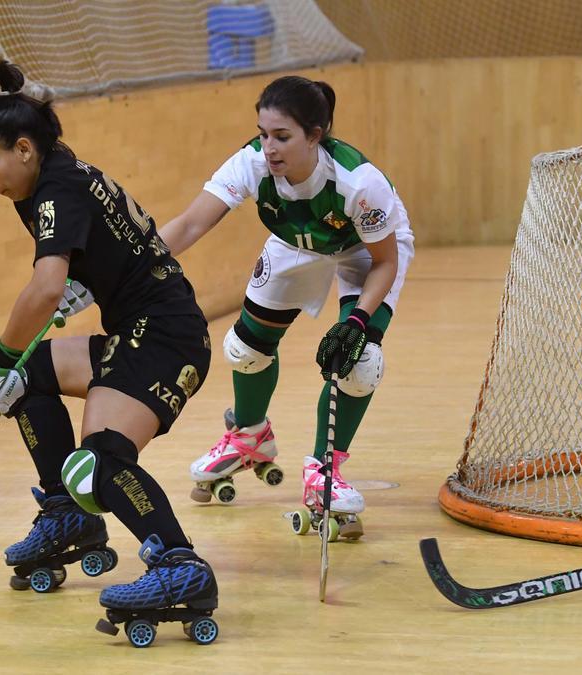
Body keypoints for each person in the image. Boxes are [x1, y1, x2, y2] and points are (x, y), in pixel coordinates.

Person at [0, 60, 217, 618]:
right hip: (134, 333)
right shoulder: (52, 165)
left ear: (24, 149)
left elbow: (44, 289)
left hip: (165, 342)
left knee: (98, 463)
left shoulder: (54, 186)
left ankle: (181, 568)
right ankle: (66, 516)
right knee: (28, 382)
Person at [159, 75, 415, 537]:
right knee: (244, 348)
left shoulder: (359, 184)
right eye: (262, 134)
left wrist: (356, 321)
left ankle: (325, 471)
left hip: (365, 249)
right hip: (295, 243)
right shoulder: (252, 165)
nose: (269, 147)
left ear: (315, 136)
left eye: (282, 136)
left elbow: (384, 262)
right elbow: (191, 224)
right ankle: (250, 436)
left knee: (359, 362)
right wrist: (129, 266)